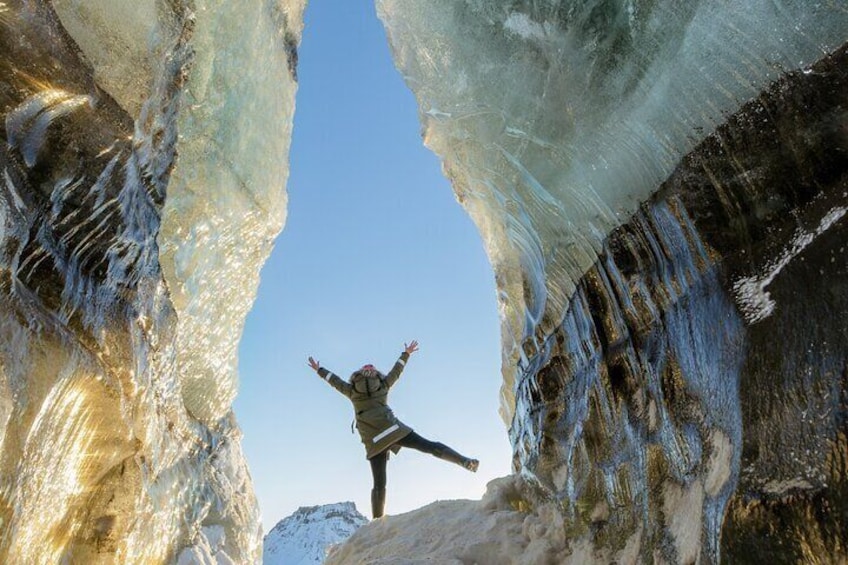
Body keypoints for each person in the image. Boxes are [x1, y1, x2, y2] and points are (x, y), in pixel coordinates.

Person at [307, 340, 479, 519]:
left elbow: (334, 381)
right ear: (375, 374)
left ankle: (376, 523)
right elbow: (396, 372)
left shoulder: (352, 391)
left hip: (374, 441)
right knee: (429, 446)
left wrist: (319, 370)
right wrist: (406, 354)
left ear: (357, 374)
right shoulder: (383, 384)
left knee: (379, 484)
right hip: (394, 430)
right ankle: (465, 462)